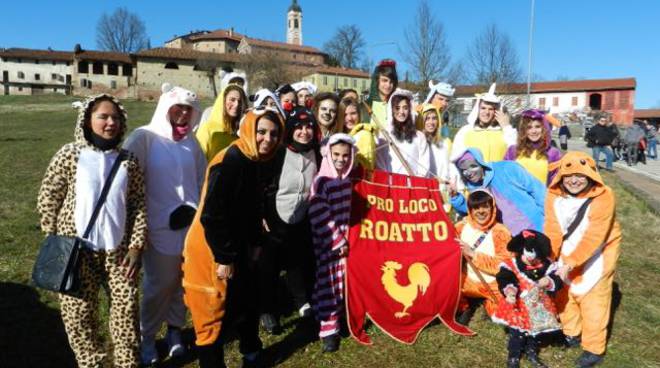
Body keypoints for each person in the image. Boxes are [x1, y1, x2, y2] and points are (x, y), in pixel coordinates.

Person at [37, 94, 147, 368]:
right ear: (87, 120)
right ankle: (92, 363)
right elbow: (49, 196)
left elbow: (138, 205)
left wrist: (136, 246)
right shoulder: (70, 154)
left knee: (126, 314)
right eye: (103, 117)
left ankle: (127, 364)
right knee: (79, 317)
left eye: (115, 118)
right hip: (77, 252)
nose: (110, 123)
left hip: (119, 254)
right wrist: (54, 240)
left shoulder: (128, 161)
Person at [182, 107, 283, 368]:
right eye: (261, 132)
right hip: (211, 248)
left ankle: (251, 353)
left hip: (238, 245)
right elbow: (212, 215)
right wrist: (224, 257)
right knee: (211, 315)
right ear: (249, 129)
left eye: (274, 134)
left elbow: (250, 206)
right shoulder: (232, 159)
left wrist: (256, 242)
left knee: (246, 302)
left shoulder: (257, 160)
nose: (267, 139)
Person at [123, 83, 206, 365]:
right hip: (157, 226)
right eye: (178, 108)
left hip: (189, 226)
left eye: (188, 109)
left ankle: (174, 331)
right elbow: (127, 181)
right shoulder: (144, 137)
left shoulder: (191, 142)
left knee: (182, 283)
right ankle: (147, 338)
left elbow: (200, 181)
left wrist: (194, 211)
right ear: (166, 108)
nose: (183, 114)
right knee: (159, 285)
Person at [544, 151, 621, 368]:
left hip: (597, 256)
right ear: (561, 175)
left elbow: (595, 235)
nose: (574, 180)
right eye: (569, 175)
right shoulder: (554, 196)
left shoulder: (604, 196)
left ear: (590, 176)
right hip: (566, 254)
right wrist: (549, 257)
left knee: (593, 302)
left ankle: (594, 348)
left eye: (580, 175)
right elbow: (552, 228)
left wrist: (572, 261)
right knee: (565, 296)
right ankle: (571, 334)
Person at [258, 106, 319, 335]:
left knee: (296, 260)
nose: (304, 132)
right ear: (291, 129)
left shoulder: (316, 153)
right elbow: (262, 184)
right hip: (275, 215)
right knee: (270, 265)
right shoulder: (280, 152)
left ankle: (302, 301)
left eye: (308, 127)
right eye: (299, 127)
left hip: (301, 216)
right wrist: (261, 213)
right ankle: (267, 309)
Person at [309, 133, 357, 353]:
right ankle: (328, 329)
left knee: (341, 283)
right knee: (328, 283)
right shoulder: (321, 182)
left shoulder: (346, 181)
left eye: (346, 155)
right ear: (328, 154)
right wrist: (338, 241)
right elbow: (320, 214)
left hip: (345, 243)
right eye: (336, 154)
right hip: (329, 244)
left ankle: (339, 319)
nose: (341, 159)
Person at [492, 230, 564, 368]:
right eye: (527, 256)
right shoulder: (512, 265)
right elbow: (505, 278)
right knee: (517, 332)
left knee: (534, 332)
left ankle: (531, 352)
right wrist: (510, 291)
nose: (531, 261)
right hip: (518, 306)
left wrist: (548, 281)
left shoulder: (547, 265)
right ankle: (514, 355)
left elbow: (557, 279)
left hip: (537, 305)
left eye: (536, 258)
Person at [450, 148, 546, 236]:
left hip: (537, 228)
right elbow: (473, 212)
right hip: (511, 239)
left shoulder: (507, 168)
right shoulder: (474, 189)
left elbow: (538, 190)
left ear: (480, 163)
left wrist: (548, 219)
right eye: (463, 170)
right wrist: (455, 197)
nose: (469, 173)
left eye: (472, 166)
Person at [454, 190, 512, 326]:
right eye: (476, 207)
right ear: (470, 209)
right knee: (447, 284)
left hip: (492, 283)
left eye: (485, 206)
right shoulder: (461, 227)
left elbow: (503, 266)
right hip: (465, 280)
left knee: (506, 317)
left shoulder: (500, 232)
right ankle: (464, 306)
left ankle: (488, 302)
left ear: (492, 208)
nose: (481, 211)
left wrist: (473, 254)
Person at [450, 83, 516, 162]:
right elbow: (454, 158)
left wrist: (507, 127)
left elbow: (515, 152)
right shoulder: (465, 131)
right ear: (477, 109)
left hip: (499, 174)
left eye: (490, 109)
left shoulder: (504, 132)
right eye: (483, 108)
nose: (486, 112)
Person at [375, 88, 430, 177]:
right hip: (391, 186)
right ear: (391, 109)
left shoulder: (419, 137)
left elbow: (424, 166)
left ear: (410, 110)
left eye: (405, 108)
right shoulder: (384, 135)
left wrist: (416, 183)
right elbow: (380, 163)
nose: (401, 112)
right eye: (397, 108)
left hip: (413, 186)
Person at [504, 109, 562, 185]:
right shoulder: (513, 150)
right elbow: (506, 176)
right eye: (529, 127)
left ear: (544, 128)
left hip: (542, 195)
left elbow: (556, 181)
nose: (533, 131)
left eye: (537, 127)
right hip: (517, 195)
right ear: (524, 130)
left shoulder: (553, 153)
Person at [196, 83, 247, 161]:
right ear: (223, 101)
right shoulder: (208, 129)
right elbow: (198, 160)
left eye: (240, 101)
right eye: (232, 100)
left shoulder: (242, 131)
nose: (237, 104)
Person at [416, 103, 451, 181]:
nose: (431, 122)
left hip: (442, 188)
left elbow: (449, 168)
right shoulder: (416, 142)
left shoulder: (445, 143)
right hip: (423, 186)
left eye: (434, 118)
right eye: (427, 118)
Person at [366, 59, 398, 126]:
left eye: (391, 82)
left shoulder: (397, 105)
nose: (388, 85)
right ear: (377, 81)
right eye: (384, 80)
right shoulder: (366, 106)